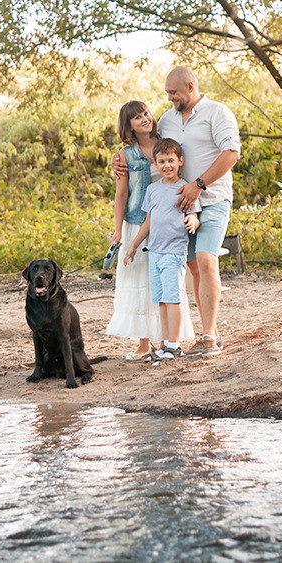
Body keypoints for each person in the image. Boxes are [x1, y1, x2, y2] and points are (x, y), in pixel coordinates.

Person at [113, 66, 240, 356]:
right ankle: (211, 332)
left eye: (173, 92)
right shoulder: (168, 120)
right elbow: (146, 147)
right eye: (168, 93)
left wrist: (199, 184)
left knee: (206, 261)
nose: (169, 98)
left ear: (191, 87)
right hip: (180, 205)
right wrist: (117, 159)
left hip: (213, 198)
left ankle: (208, 337)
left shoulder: (218, 112)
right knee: (193, 267)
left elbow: (231, 153)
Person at [105, 101, 195, 359]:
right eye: (136, 118)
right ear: (129, 126)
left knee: (164, 279)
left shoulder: (166, 144)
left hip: (165, 226)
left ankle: (168, 339)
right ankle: (144, 344)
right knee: (139, 281)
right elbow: (121, 194)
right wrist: (119, 230)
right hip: (136, 223)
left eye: (145, 113)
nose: (144, 119)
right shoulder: (125, 155)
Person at [123, 137, 201, 362]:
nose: (166, 165)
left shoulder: (185, 188)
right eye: (161, 161)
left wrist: (193, 222)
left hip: (174, 252)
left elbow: (194, 214)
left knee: (173, 298)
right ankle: (166, 344)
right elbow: (148, 221)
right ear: (155, 164)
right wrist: (133, 246)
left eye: (171, 160)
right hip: (154, 252)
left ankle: (175, 345)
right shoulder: (152, 189)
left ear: (180, 161)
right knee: (161, 300)